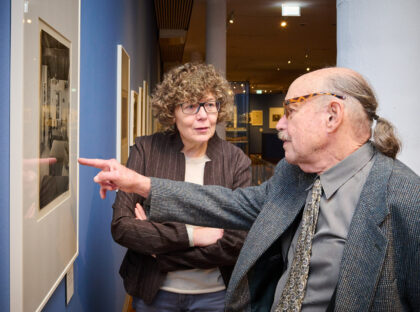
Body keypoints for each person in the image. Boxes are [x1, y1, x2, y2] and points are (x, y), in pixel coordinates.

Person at [80, 67, 420, 311]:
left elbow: (234, 243)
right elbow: (229, 204)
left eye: (290, 111)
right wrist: (141, 184)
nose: (278, 123)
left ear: (332, 115)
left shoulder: (405, 198)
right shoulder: (292, 175)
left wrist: (160, 243)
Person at [80, 63, 251, 311]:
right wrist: (196, 235)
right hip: (154, 294)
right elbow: (122, 227)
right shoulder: (146, 151)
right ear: (172, 112)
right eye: (191, 106)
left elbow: (236, 242)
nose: (203, 115)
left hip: (216, 295)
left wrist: (160, 250)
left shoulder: (235, 161)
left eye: (210, 104)